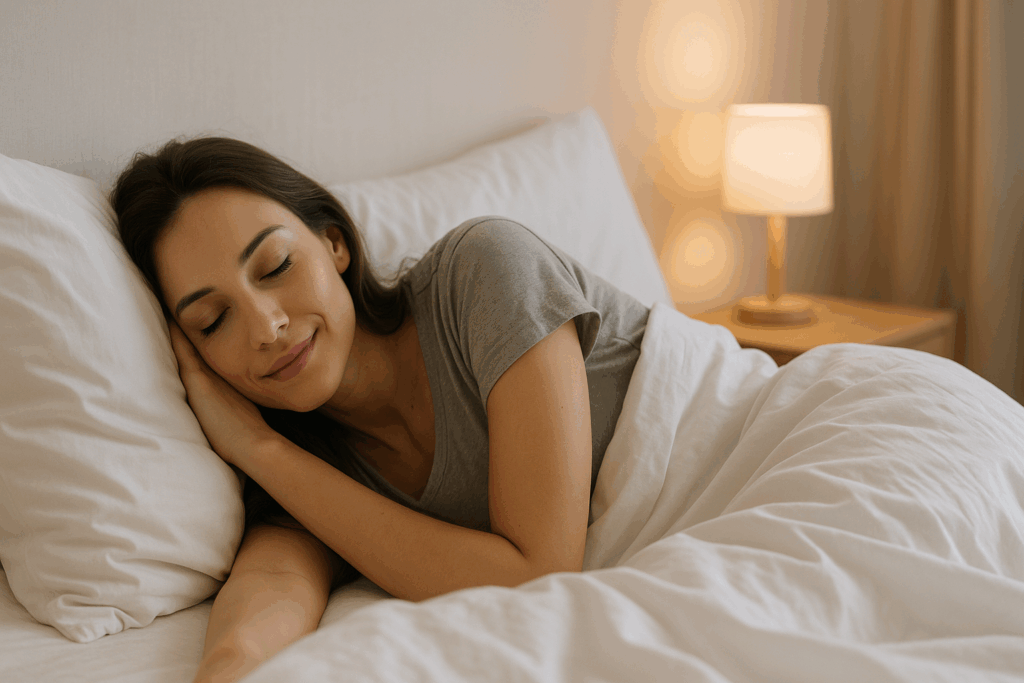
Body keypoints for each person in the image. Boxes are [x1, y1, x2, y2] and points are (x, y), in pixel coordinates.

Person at [111, 136, 649, 683]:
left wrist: (258, 445)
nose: (266, 327)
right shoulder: (306, 482)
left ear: (334, 243)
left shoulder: (486, 267)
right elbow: (258, 618)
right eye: (212, 320)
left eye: (275, 266)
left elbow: (540, 577)